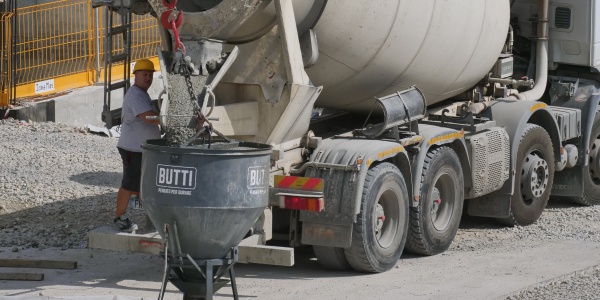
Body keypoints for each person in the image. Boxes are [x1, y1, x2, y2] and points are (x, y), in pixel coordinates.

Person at [114, 58, 161, 231]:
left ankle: (148, 214)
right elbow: (148, 118)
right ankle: (119, 218)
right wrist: (168, 119)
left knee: (142, 183)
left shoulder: (141, 94)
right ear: (136, 76)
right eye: (144, 75)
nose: (148, 78)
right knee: (129, 183)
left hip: (140, 148)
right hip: (133, 148)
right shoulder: (135, 94)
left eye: (150, 75)